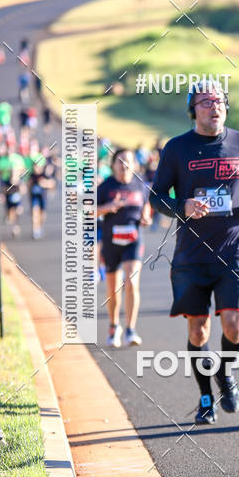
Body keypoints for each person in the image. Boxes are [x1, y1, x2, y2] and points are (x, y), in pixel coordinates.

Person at [150, 84, 239, 424]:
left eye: (219, 102)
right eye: (205, 103)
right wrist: (180, 206)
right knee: (199, 332)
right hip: (191, 257)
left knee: (233, 326)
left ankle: (225, 374)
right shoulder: (177, 148)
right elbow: (156, 196)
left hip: (234, 251)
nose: (214, 107)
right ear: (193, 110)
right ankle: (205, 397)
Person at [97, 148, 152, 348]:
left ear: (134, 164)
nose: (124, 165)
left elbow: (146, 204)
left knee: (131, 282)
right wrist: (107, 207)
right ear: (113, 165)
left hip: (133, 241)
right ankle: (113, 326)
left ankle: (130, 328)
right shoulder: (105, 187)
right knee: (113, 290)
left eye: (128, 161)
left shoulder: (140, 186)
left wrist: (146, 216)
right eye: (120, 161)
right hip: (111, 242)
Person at [0, 143, 26, 236]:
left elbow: (23, 170)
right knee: (10, 209)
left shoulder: (18, 158)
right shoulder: (2, 160)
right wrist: (1, 191)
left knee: (17, 207)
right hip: (6, 185)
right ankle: (10, 218)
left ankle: (16, 227)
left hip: (16, 185)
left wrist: (20, 180)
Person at [28, 150, 56, 239]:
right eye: (35, 166)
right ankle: (35, 230)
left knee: (42, 214)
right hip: (34, 197)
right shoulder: (32, 175)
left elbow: (52, 183)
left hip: (43, 196)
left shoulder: (45, 174)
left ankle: (40, 226)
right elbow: (28, 184)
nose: (37, 168)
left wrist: (44, 183)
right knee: (35, 212)